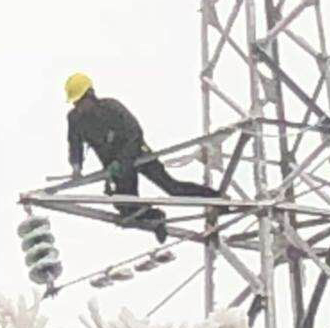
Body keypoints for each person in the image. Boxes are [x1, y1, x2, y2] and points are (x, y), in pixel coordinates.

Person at [64, 72, 220, 243]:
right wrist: (76, 167)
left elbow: (134, 133)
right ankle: (155, 218)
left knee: (172, 188)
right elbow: (75, 143)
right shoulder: (75, 119)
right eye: (75, 102)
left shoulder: (111, 108)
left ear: (90, 95)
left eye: (80, 101)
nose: (78, 106)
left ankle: (216, 199)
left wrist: (122, 162)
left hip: (138, 153)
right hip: (115, 166)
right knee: (126, 205)